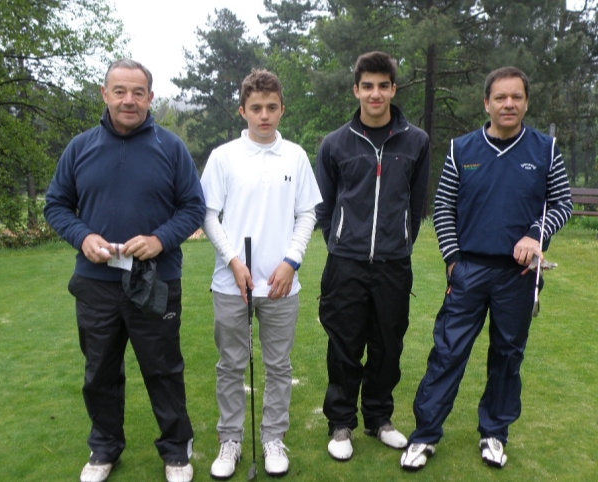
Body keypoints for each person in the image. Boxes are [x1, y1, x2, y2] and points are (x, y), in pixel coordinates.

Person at [400, 66, 573, 471]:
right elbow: (442, 206)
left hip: (519, 274)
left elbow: (561, 203)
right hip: (469, 269)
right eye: (500, 97)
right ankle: (425, 435)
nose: (508, 104)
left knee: (508, 355)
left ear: (526, 102)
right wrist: (452, 260)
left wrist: (537, 234)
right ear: (487, 103)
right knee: (447, 351)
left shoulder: (545, 149)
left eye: (516, 97)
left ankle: (494, 432)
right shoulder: (463, 149)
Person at [44, 59, 205, 482]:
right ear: (105, 94)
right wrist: (82, 237)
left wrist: (159, 240)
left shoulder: (171, 148)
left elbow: (193, 207)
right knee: (99, 371)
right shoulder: (80, 148)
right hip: (97, 284)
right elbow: (56, 204)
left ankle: (175, 452)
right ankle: (104, 449)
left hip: (155, 281)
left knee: (163, 370)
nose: (128, 100)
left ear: (151, 98)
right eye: (120, 91)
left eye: (138, 92)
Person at [200, 69, 322, 479]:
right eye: (256, 108)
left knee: (278, 365)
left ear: (282, 109)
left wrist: (292, 261)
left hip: (281, 284)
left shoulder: (297, 156)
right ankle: (230, 439)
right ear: (243, 110)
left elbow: (307, 213)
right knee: (231, 364)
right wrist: (234, 260)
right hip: (231, 282)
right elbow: (209, 215)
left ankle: (273, 437)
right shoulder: (223, 157)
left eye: (271, 107)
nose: (264, 115)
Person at [315, 51, 431, 461]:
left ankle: (379, 417)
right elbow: (325, 206)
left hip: (393, 265)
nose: (375, 93)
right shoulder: (334, 144)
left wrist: (398, 243)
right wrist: (340, 242)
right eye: (368, 86)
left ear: (394, 89)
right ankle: (340, 423)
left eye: (383, 85)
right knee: (343, 345)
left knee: (387, 345)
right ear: (356, 90)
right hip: (344, 262)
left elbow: (416, 206)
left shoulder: (415, 141)